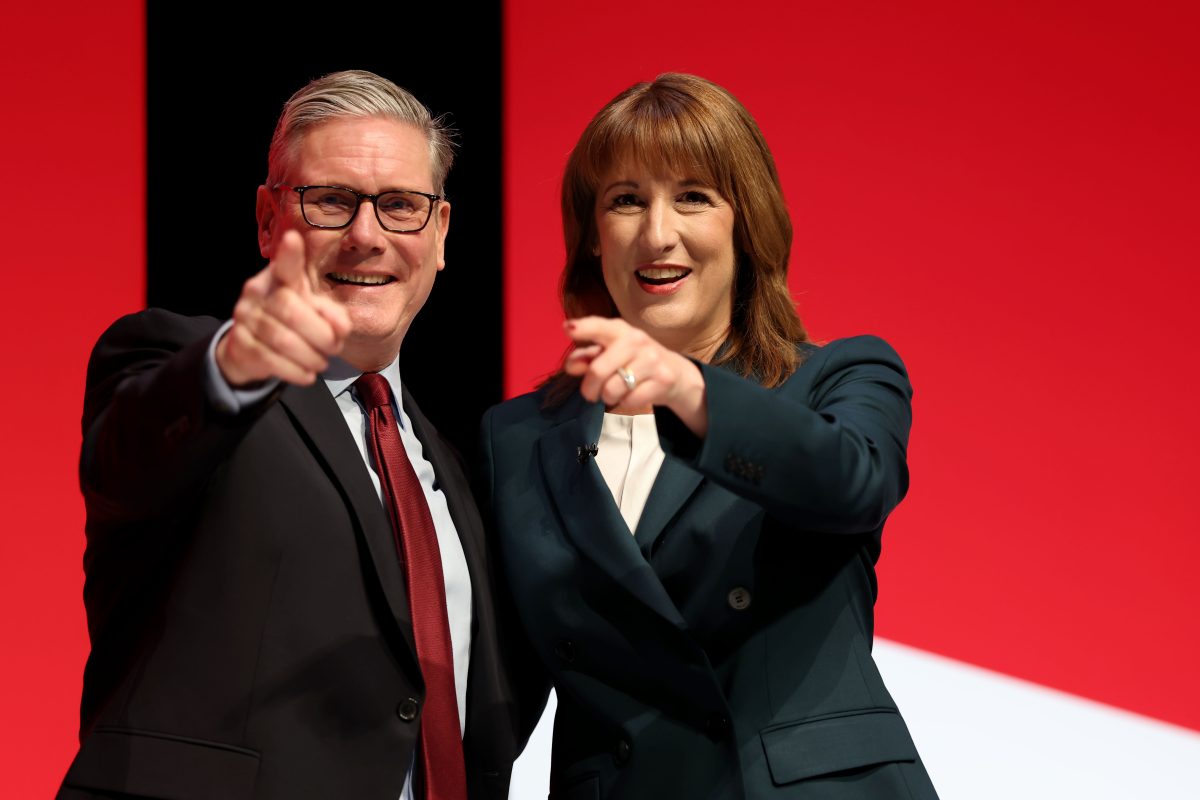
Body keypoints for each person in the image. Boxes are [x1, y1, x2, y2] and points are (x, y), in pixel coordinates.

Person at [60, 70, 519, 800]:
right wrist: (231, 367)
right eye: (332, 201)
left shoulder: (451, 472)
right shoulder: (187, 370)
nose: (366, 236)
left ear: (440, 236)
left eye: (400, 206)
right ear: (269, 220)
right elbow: (128, 465)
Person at [480, 73, 940, 799]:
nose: (657, 233)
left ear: (744, 223)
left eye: (693, 196)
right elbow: (495, 697)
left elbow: (853, 483)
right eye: (625, 200)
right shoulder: (516, 437)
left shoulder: (841, 377)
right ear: (594, 237)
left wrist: (688, 389)